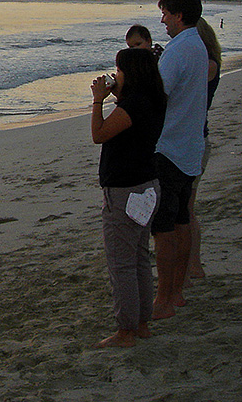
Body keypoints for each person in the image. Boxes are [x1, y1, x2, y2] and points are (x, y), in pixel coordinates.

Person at [90, 48, 166, 348]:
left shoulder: (133, 105)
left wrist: (98, 100)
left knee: (122, 263)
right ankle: (142, 323)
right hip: (146, 185)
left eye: (118, 70)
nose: (115, 75)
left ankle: (126, 331)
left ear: (130, 73)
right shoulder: (153, 99)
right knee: (138, 259)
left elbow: (99, 133)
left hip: (125, 190)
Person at [150, 0, 208, 320]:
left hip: (169, 147)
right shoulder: (198, 46)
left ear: (179, 15)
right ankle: (178, 293)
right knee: (182, 220)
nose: (163, 21)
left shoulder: (178, 50)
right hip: (189, 147)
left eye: (166, 14)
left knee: (166, 228)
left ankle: (164, 299)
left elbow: (159, 96)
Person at [187, 18, 222, 279]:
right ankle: (190, 264)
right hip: (192, 137)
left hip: (196, 139)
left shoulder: (209, 66)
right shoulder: (204, 64)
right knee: (184, 207)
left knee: (186, 207)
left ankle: (193, 264)